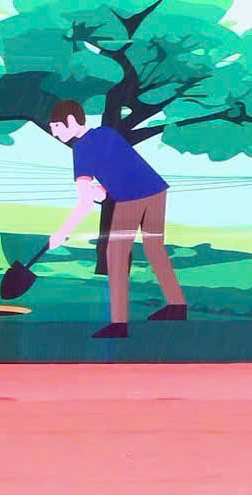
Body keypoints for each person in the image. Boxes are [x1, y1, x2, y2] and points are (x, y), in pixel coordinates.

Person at [42, 101, 188, 339]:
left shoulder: (81, 149)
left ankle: (119, 324)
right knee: (154, 247)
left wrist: (62, 233)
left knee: (116, 255)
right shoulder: (106, 133)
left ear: (71, 120)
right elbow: (121, 169)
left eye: (57, 127)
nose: (55, 133)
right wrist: (103, 190)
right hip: (156, 190)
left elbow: (85, 201)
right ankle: (177, 306)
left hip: (131, 199)